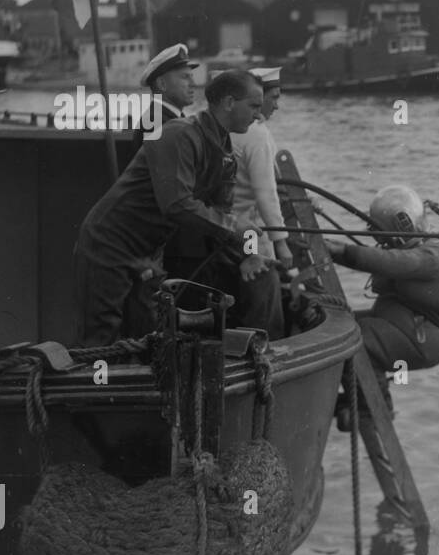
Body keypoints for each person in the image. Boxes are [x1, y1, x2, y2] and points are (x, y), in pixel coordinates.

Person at [73, 69, 269, 347]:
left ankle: (133, 389)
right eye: (254, 106)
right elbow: (177, 205)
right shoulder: (180, 135)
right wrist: (233, 227)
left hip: (148, 252)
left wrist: (247, 255)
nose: (259, 115)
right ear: (228, 103)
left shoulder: (225, 155)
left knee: (149, 337)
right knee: (101, 337)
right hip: (109, 244)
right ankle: (98, 387)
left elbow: (225, 220)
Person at [325, 185, 439, 428]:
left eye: (379, 230)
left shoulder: (431, 257)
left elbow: (393, 262)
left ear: (403, 223)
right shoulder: (417, 248)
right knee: (336, 328)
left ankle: (374, 409)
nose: (378, 238)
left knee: (358, 342)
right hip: (403, 326)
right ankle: (356, 396)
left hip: (425, 339)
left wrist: (339, 251)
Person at [221, 67, 292, 338]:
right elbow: (265, 194)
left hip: (225, 236)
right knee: (264, 301)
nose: (277, 104)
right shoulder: (257, 135)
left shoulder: (229, 130)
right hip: (252, 237)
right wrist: (282, 243)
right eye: (273, 97)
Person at [132, 42, 197, 148]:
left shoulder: (171, 119)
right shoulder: (156, 123)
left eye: (191, 76)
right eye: (185, 77)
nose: (193, 84)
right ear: (162, 84)